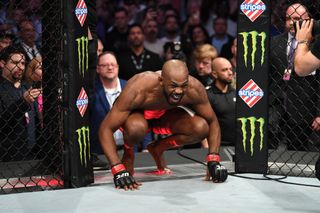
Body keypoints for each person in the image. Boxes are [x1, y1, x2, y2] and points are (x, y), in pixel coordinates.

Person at [99, 59, 227, 190]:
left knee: (201, 127)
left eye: (183, 86)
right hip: (137, 120)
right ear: (161, 81)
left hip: (163, 118)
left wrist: (213, 159)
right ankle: (128, 151)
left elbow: (212, 122)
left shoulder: (194, 88)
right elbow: (106, 128)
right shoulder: (139, 86)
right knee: (136, 128)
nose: (178, 91)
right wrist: (117, 167)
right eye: (173, 86)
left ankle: (158, 147)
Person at [269, 3, 320, 150]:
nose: (292, 23)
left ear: (308, 20)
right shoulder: (274, 42)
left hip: (306, 107)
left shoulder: (316, 43)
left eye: (297, 18)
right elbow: (268, 76)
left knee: (301, 151)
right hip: (277, 106)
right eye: (288, 18)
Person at [0, 46, 41, 161]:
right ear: (3, 64)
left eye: (23, 63)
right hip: (8, 157)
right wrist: (23, 102)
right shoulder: (1, 89)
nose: (20, 67)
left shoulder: (28, 87)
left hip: (34, 154)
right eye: (15, 63)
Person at [90, 52, 126, 168]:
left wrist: (146, 146)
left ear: (118, 68)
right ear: (98, 69)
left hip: (130, 151)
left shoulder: (129, 88)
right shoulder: (90, 92)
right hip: (100, 155)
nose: (110, 68)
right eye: (105, 65)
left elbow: (144, 115)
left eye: (113, 65)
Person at [206, 57, 235, 145]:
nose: (230, 73)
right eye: (224, 70)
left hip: (239, 145)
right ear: (215, 74)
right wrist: (206, 147)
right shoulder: (208, 95)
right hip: (218, 145)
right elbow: (204, 123)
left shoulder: (237, 93)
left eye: (230, 69)